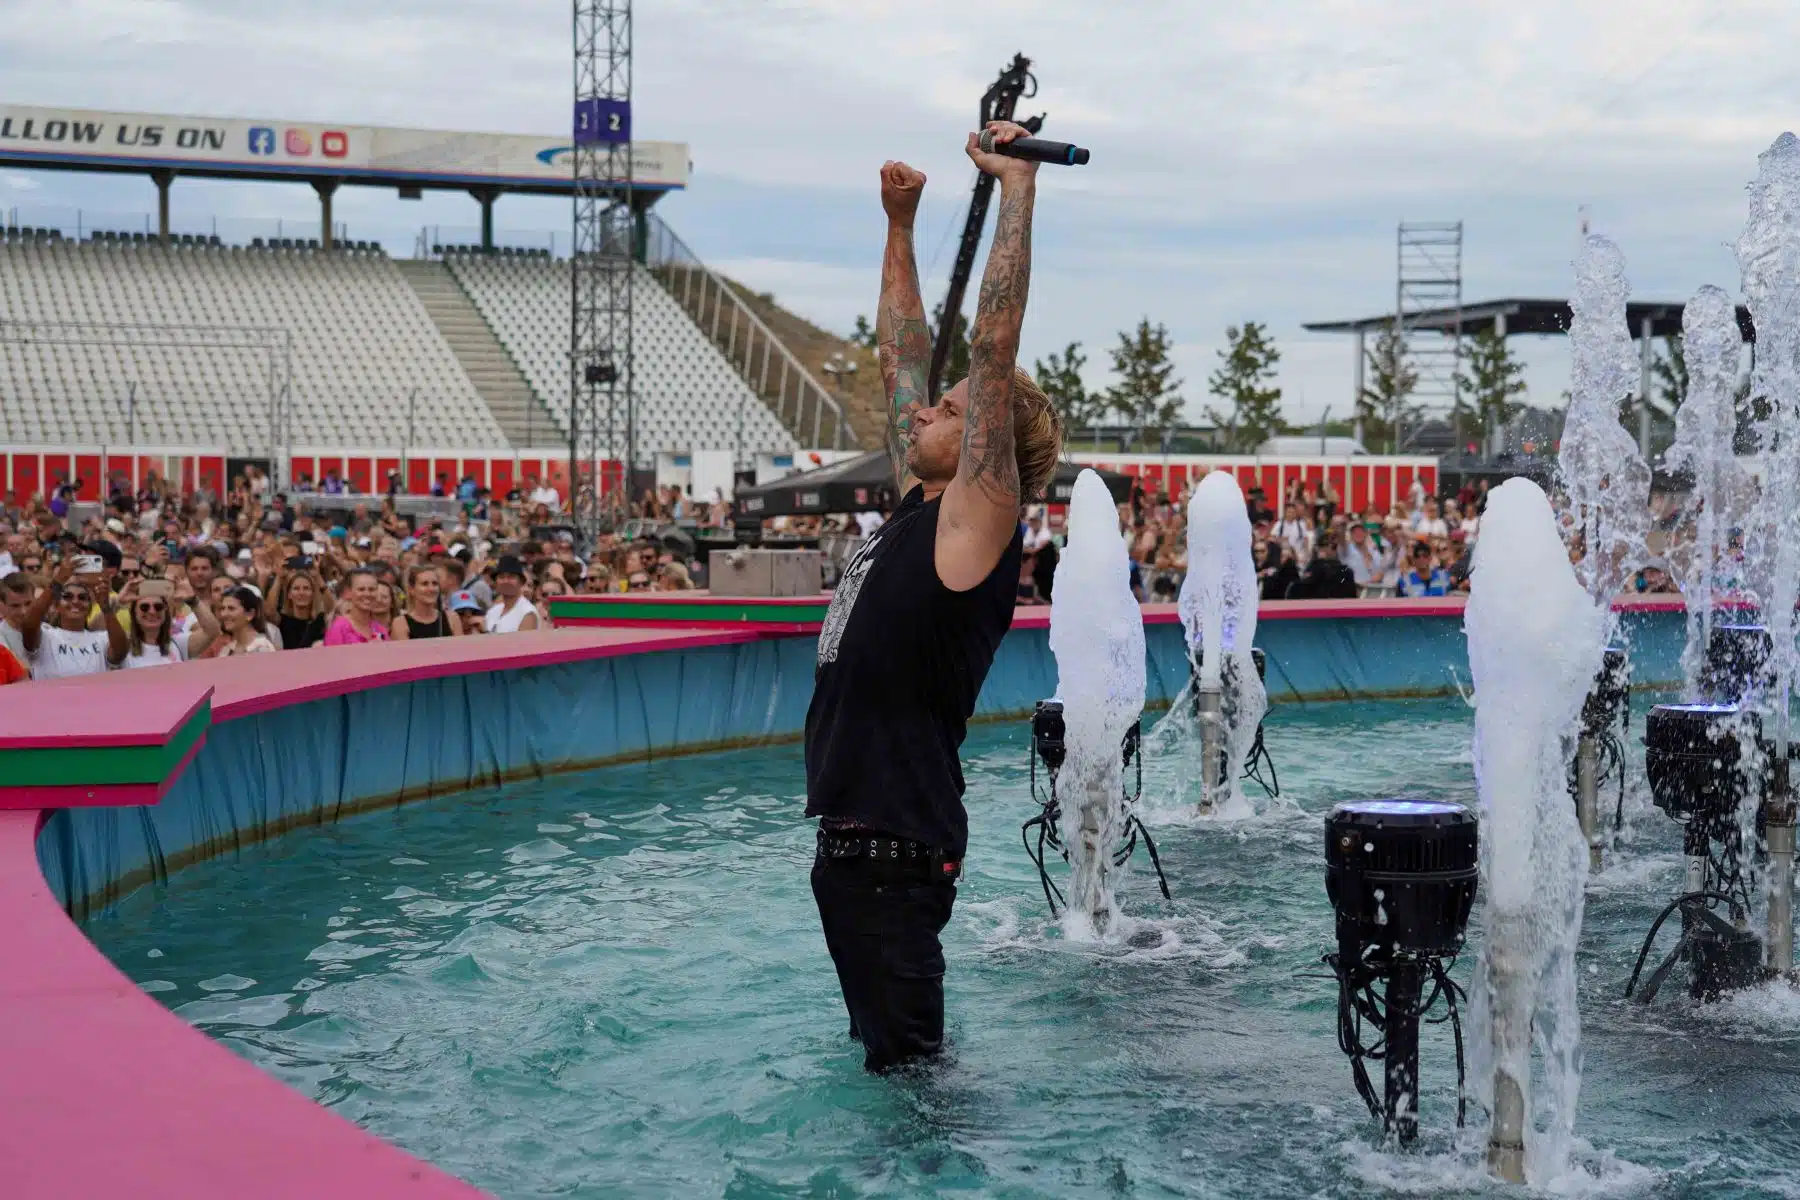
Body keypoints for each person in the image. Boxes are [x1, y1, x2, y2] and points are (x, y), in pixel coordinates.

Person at [807, 127, 1064, 1073]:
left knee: (917, 1098)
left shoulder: (979, 519)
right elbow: (900, 360)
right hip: (855, 852)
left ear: (991, 439)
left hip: (894, 854)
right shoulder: (920, 509)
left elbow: (994, 349)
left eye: (952, 412)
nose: (924, 412)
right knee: (893, 1081)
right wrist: (900, 226)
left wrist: (1017, 188)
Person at [22, 561, 125, 679]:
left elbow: (120, 652)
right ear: (57, 605)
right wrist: (57, 582)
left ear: (90, 607)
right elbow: (29, 624)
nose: (75, 601)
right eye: (67, 597)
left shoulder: (102, 638)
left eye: (82, 598)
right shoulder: (45, 635)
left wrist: (105, 606)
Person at [324, 568, 391, 646]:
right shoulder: (339, 628)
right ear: (348, 593)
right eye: (361, 589)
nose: (367, 594)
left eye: (371, 589)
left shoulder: (380, 629)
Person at [394, 564, 459, 639]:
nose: (431, 589)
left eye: (435, 584)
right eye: (424, 584)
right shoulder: (401, 623)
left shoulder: (452, 618)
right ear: (411, 590)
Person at [207, 586, 277, 656]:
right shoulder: (227, 649)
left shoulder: (264, 648)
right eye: (223, 608)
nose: (224, 614)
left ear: (250, 614)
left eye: (231, 608)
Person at [485, 556, 540, 633]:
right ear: (496, 582)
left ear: (521, 582)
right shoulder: (493, 611)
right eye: (501, 577)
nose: (506, 581)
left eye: (511, 577)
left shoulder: (527, 612)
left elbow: (525, 641)